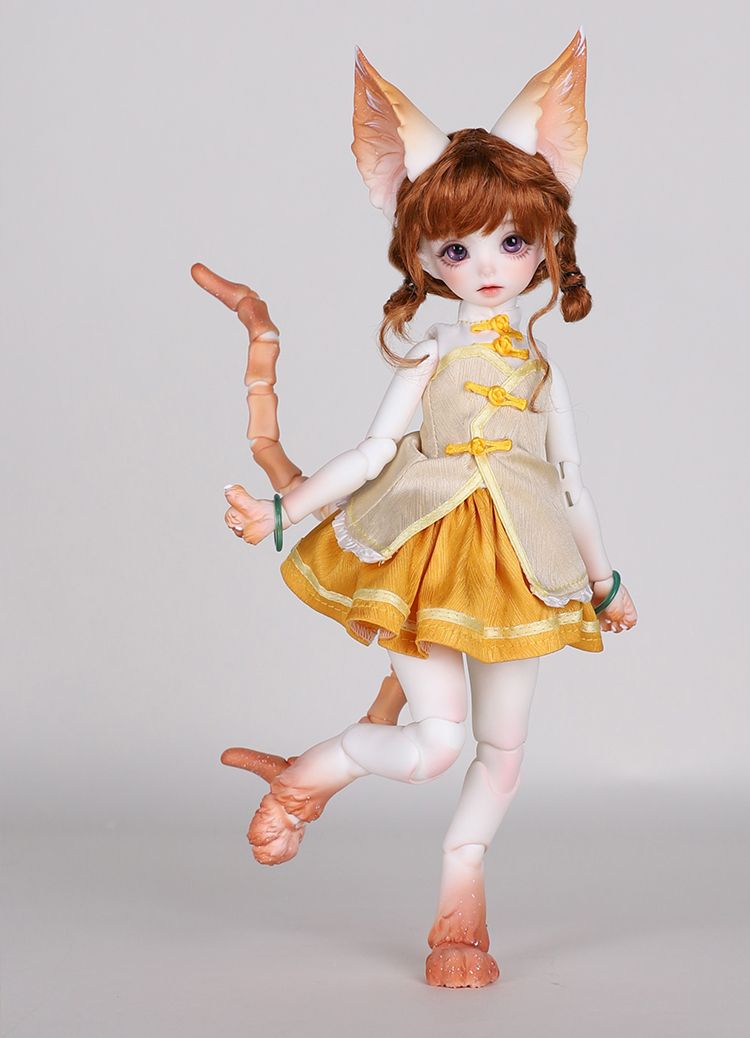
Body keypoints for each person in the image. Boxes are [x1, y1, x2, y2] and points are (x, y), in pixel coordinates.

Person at [194, 31, 637, 989]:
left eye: (513, 242)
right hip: (423, 553)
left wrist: (604, 584)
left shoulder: (540, 367)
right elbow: (371, 452)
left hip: (525, 568)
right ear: (425, 255)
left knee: (503, 754)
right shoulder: (434, 351)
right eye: (457, 248)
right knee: (436, 746)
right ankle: (308, 778)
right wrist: (281, 515)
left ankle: (459, 906)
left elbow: (571, 480)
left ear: (546, 239)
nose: (488, 266)